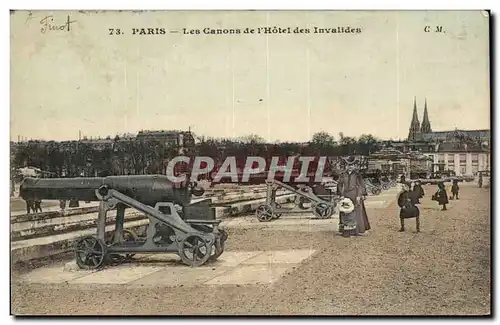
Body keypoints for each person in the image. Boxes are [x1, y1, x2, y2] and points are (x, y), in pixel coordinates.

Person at [336, 156, 371, 237]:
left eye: (351, 165)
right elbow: (340, 185)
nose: (350, 167)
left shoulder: (357, 175)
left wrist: (359, 195)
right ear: (346, 166)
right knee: (345, 211)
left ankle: (357, 230)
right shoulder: (343, 174)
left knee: (357, 212)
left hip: (355, 194)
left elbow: (361, 185)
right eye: (348, 165)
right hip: (346, 195)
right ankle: (345, 230)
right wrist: (341, 194)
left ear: (354, 166)